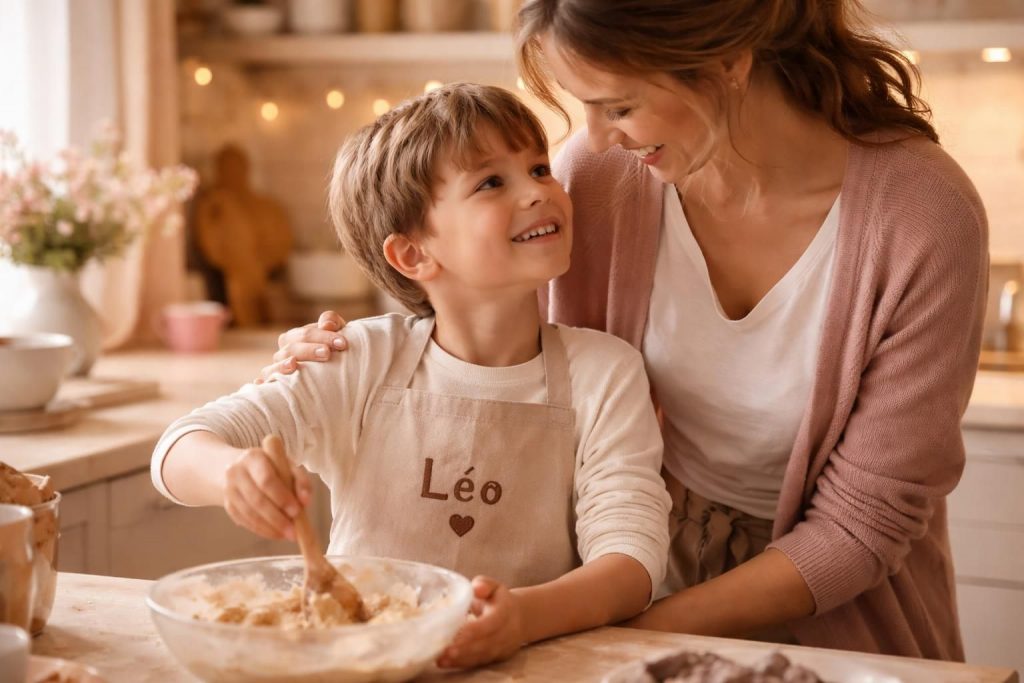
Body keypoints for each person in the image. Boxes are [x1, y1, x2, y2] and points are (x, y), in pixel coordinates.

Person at [266, 0, 988, 663]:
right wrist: (352, 355)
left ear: (726, 64)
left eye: (619, 105)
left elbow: (862, 526)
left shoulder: (922, 215)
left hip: (835, 621)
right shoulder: (603, 179)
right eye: (583, 105)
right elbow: (501, 345)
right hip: (626, 576)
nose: (594, 136)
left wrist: (613, 630)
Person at [150, 83, 671, 669]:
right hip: (358, 665)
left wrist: (522, 619)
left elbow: (632, 562)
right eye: (491, 182)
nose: (538, 192)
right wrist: (232, 475)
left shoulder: (605, 373)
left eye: (539, 168)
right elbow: (178, 448)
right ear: (413, 255)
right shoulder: (361, 359)